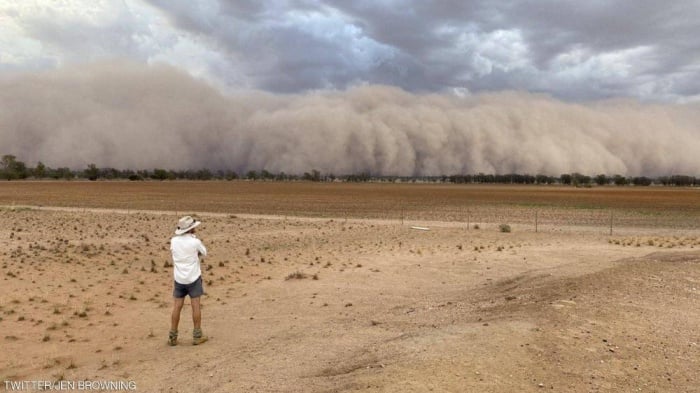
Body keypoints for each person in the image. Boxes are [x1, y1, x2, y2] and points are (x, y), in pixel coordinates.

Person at [168, 215, 208, 346]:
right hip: (193, 277)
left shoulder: (174, 241)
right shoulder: (194, 241)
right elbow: (204, 252)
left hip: (179, 278)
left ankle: (172, 337)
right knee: (195, 306)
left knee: (177, 307)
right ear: (191, 229)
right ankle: (197, 335)